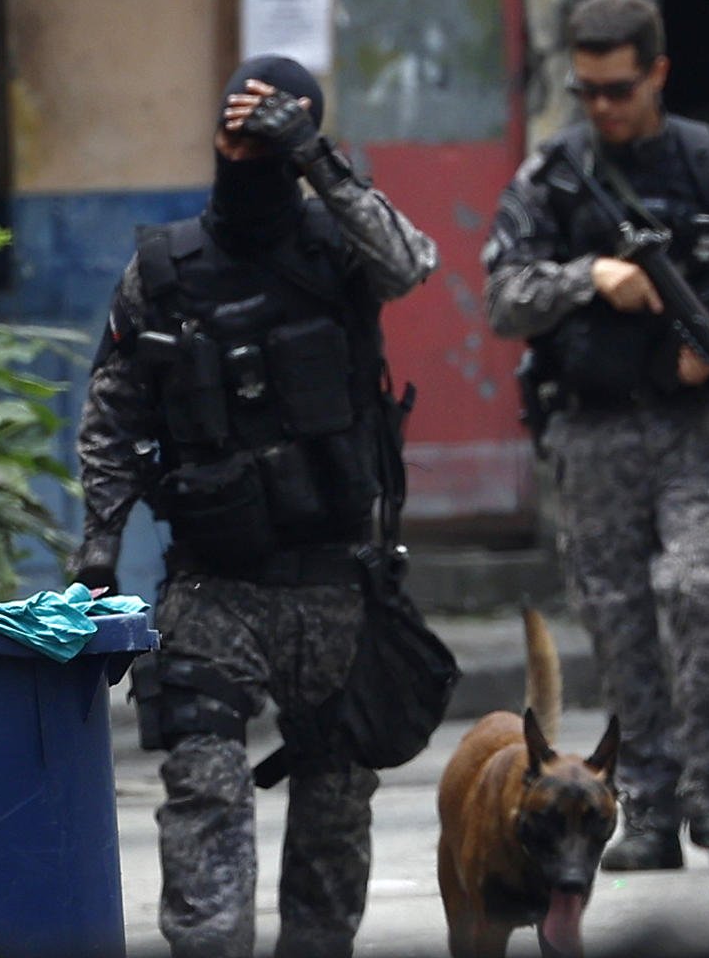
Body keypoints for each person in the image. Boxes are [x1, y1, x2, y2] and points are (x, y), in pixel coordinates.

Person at [72, 55, 438, 958]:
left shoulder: (342, 248)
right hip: (211, 587)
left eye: (261, 134)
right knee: (202, 791)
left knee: (336, 800)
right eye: (230, 132)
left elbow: (411, 262)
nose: (242, 149)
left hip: (334, 585)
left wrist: (313, 153)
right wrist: (99, 549)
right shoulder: (162, 269)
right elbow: (111, 413)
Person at [481, 0, 709, 872]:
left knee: (701, 596)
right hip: (591, 435)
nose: (602, 108)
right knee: (620, 624)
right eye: (586, 90)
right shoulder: (549, 177)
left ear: (657, 73)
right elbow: (502, 295)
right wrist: (592, 276)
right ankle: (650, 811)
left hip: (694, 429)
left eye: (618, 89)